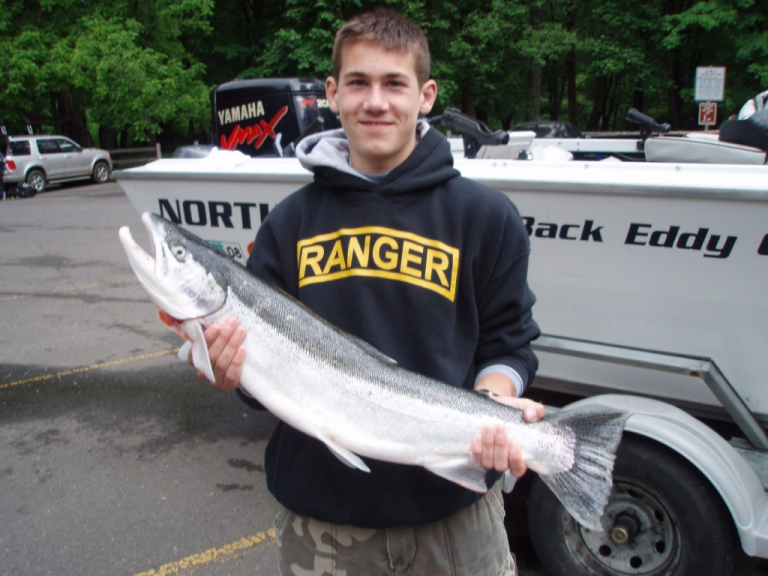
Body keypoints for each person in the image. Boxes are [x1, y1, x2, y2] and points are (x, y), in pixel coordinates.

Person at [192, 9, 544, 575]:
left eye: (394, 84)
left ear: (425, 95)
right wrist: (233, 371)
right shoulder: (288, 225)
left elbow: (510, 342)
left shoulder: (486, 218)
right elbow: (264, 390)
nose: (375, 101)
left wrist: (496, 398)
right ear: (332, 93)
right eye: (358, 82)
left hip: (458, 521)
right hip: (324, 528)